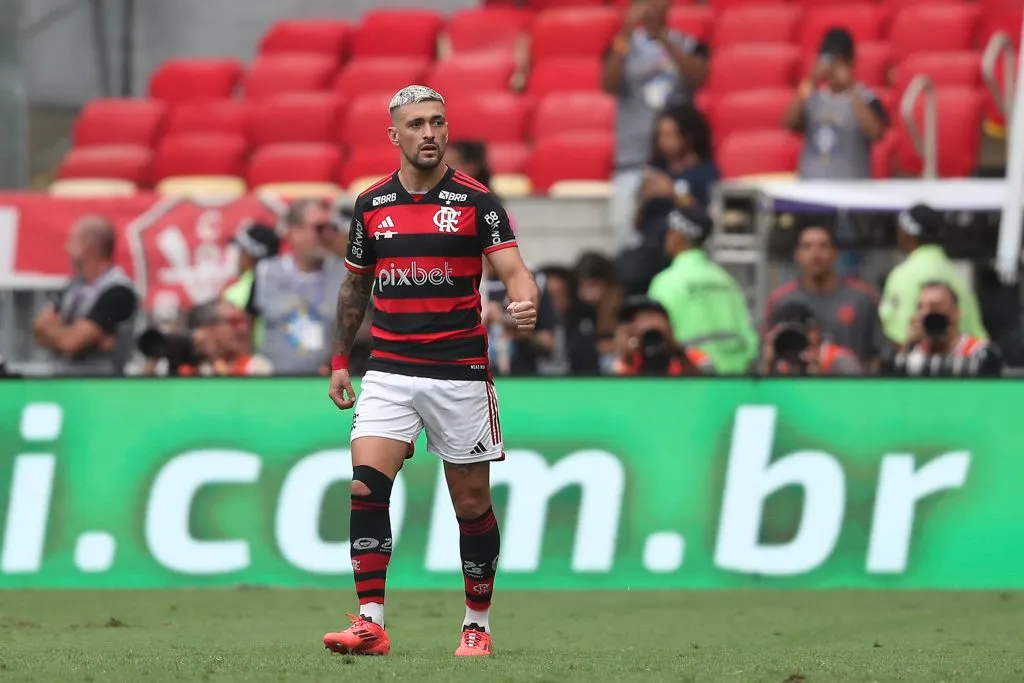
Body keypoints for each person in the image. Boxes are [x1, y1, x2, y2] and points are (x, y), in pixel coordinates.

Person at [323, 85, 539, 658]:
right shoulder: (371, 205)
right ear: (394, 135)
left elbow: (516, 270)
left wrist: (525, 299)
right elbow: (354, 287)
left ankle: (477, 624)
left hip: (458, 372)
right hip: (389, 371)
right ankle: (370, 623)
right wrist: (342, 361)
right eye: (416, 124)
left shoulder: (478, 203)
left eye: (437, 123)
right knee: (365, 487)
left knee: (470, 504)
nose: (429, 133)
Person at [603, 0, 709, 249]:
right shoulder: (622, 45)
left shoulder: (689, 44)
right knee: (625, 234)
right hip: (633, 160)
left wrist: (662, 38)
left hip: (678, 164)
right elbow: (608, 83)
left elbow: (698, 78)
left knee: (687, 233)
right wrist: (626, 33)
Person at [647, 207, 758, 374]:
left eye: (669, 231)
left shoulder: (666, 282)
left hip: (691, 378)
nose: (666, 237)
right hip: (735, 379)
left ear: (679, 236)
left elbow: (656, 338)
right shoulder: (725, 280)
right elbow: (749, 337)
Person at [246, 199, 346, 375]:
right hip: (273, 379)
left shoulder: (345, 274)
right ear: (294, 232)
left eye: (332, 228)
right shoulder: (266, 272)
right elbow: (246, 325)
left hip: (324, 380)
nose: (328, 235)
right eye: (320, 228)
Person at [763, 221, 881, 367]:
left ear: (835, 253)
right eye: (807, 247)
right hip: (794, 387)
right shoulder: (780, 300)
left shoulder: (862, 298)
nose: (815, 254)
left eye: (823, 246)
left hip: (850, 386)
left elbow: (877, 354)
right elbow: (766, 355)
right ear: (797, 255)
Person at [33, 215, 138, 376]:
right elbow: (39, 331)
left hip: (100, 384)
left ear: (89, 245)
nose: (66, 248)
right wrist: (69, 338)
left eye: (72, 241)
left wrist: (59, 334)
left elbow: (73, 342)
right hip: (61, 381)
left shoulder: (119, 291)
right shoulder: (72, 287)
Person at [785, 27, 887, 181]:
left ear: (850, 62)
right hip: (810, 188)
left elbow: (876, 133)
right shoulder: (812, 96)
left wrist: (851, 88)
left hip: (850, 190)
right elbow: (789, 123)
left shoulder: (866, 98)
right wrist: (811, 79)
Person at [879, 204, 987, 347]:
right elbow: (978, 337)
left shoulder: (902, 275)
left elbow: (900, 337)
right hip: (963, 363)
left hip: (922, 364)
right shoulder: (958, 277)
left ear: (906, 232)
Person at [637, 104, 720, 239]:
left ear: (688, 136)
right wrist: (641, 201)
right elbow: (638, 224)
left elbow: (707, 216)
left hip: (686, 243)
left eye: (670, 135)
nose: (664, 142)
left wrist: (673, 193)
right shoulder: (656, 171)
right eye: (660, 135)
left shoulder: (705, 172)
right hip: (651, 243)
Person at [890, 281, 1003, 377]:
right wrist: (908, 347)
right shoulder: (914, 354)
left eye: (935, 306)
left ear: (955, 312)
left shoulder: (980, 352)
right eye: (920, 307)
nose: (925, 314)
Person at [612, 296, 713, 375]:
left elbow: (708, 385)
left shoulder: (693, 357)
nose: (646, 325)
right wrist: (626, 359)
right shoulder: (626, 361)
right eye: (634, 321)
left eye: (650, 317)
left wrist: (674, 348)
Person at [762, 300, 861, 376]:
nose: (791, 344)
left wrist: (817, 375)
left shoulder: (840, 360)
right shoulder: (781, 362)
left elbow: (853, 397)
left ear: (815, 332)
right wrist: (768, 365)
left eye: (796, 336)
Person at [223, 223, 280, 350]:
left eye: (242, 250)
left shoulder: (236, 293)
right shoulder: (285, 283)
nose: (238, 256)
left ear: (250, 253)